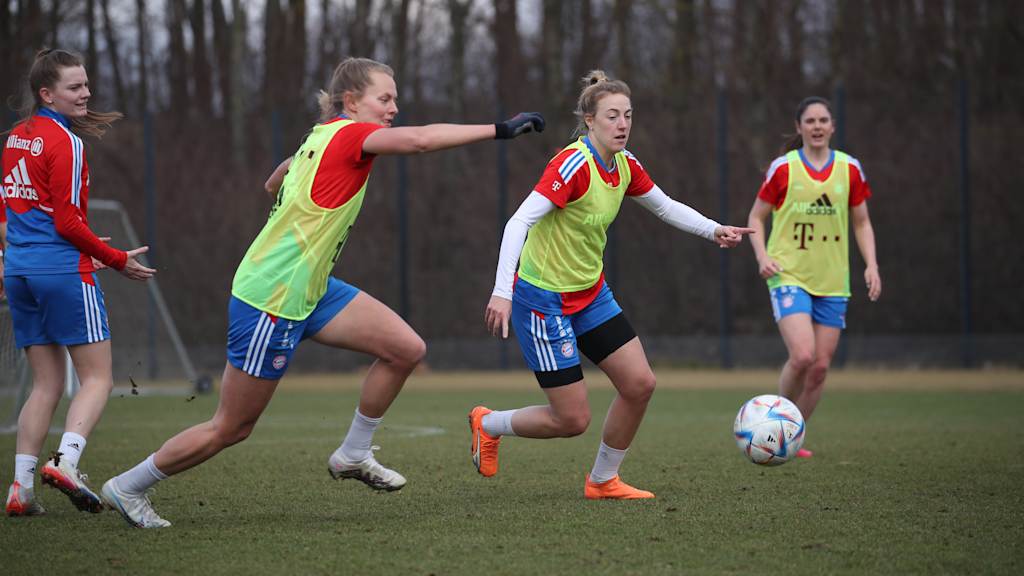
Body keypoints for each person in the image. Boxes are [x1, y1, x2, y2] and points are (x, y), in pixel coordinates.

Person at [102, 57, 545, 528]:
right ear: (352, 102)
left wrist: (292, 193)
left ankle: (353, 453)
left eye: (395, 98)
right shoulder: (350, 134)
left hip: (310, 289)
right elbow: (418, 141)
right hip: (272, 298)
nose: (394, 108)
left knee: (405, 349)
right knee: (231, 427)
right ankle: (128, 486)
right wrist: (499, 129)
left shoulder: (320, 135)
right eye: (385, 99)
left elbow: (275, 177)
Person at [471, 70, 753, 499]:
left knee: (640, 384)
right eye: (612, 116)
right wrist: (502, 292)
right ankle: (488, 424)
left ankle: (602, 481)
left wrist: (714, 230)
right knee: (572, 420)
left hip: (590, 295)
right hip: (543, 299)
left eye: (628, 116)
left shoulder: (625, 164)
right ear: (589, 120)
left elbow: (665, 207)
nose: (622, 124)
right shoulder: (572, 164)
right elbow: (518, 222)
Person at [3, 49, 155, 517]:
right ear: (46, 93)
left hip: (20, 272)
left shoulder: (14, 139)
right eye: (74, 86)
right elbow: (69, 223)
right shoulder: (66, 143)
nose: (86, 93)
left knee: (45, 384)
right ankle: (65, 463)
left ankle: (20, 490)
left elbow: (13, 214)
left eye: (86, 84)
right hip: (62, 272)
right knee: (99, 378)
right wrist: (112, 258)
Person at [746, 96, 881, 458]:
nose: (817, 126)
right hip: (789, 274)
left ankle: (791, 436)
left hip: (833, 280)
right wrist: (762, 256)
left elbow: (862, 221)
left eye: (824, 120)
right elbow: (756, 218)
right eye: (810, 120)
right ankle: (769, 424)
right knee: (803, 356)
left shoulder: (849, 169)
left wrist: (871, 265)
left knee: (820, 368)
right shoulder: (784, 169)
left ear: (833, 126)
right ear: (799, 127)